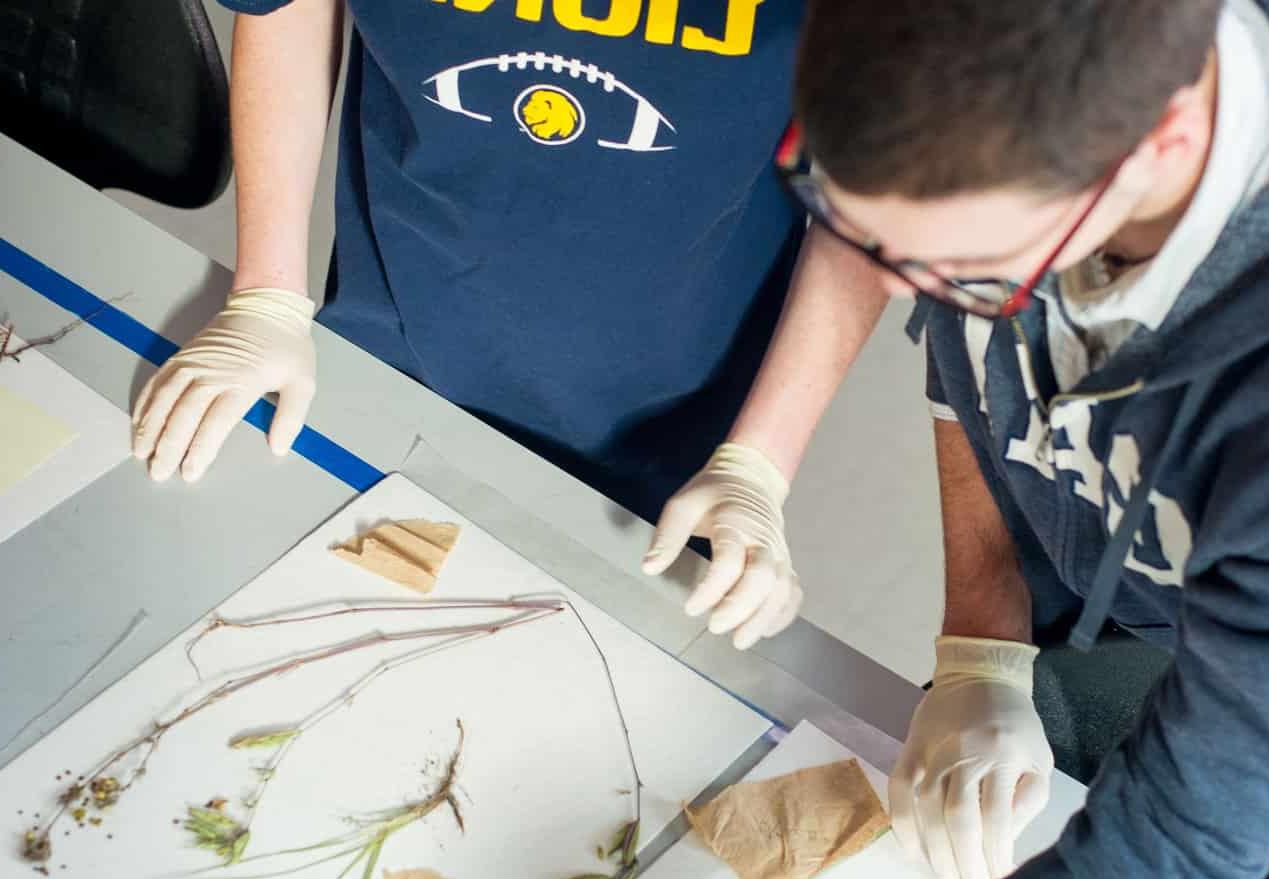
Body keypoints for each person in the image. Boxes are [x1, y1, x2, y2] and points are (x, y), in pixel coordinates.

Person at [498, 0, 1269, 879]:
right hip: (1147, 589)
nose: (899, 287)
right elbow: (970, 344)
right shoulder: (1012, 133)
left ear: (1163, 148)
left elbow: (1179, 854)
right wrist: (981, 639)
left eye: (963, 272)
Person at [130, 0, 890, 651]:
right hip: (399, 325)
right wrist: (267, 295)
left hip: (674, 408)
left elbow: (888, 170)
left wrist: (759, 462)